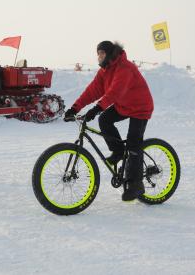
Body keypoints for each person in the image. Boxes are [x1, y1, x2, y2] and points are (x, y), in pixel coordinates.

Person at [64, 41, 154, 201]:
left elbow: (114, 93)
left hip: (140, 107)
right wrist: (75, 108)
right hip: (124, 106)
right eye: (97, 53)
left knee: (134, 142)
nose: (99, 57)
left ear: (110, 54)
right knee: (105, 119)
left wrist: (96, 109)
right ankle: (118, 150)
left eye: (102, 53)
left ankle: (136, 185)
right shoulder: (104, 72)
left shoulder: (125, 68)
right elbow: (92, 91)